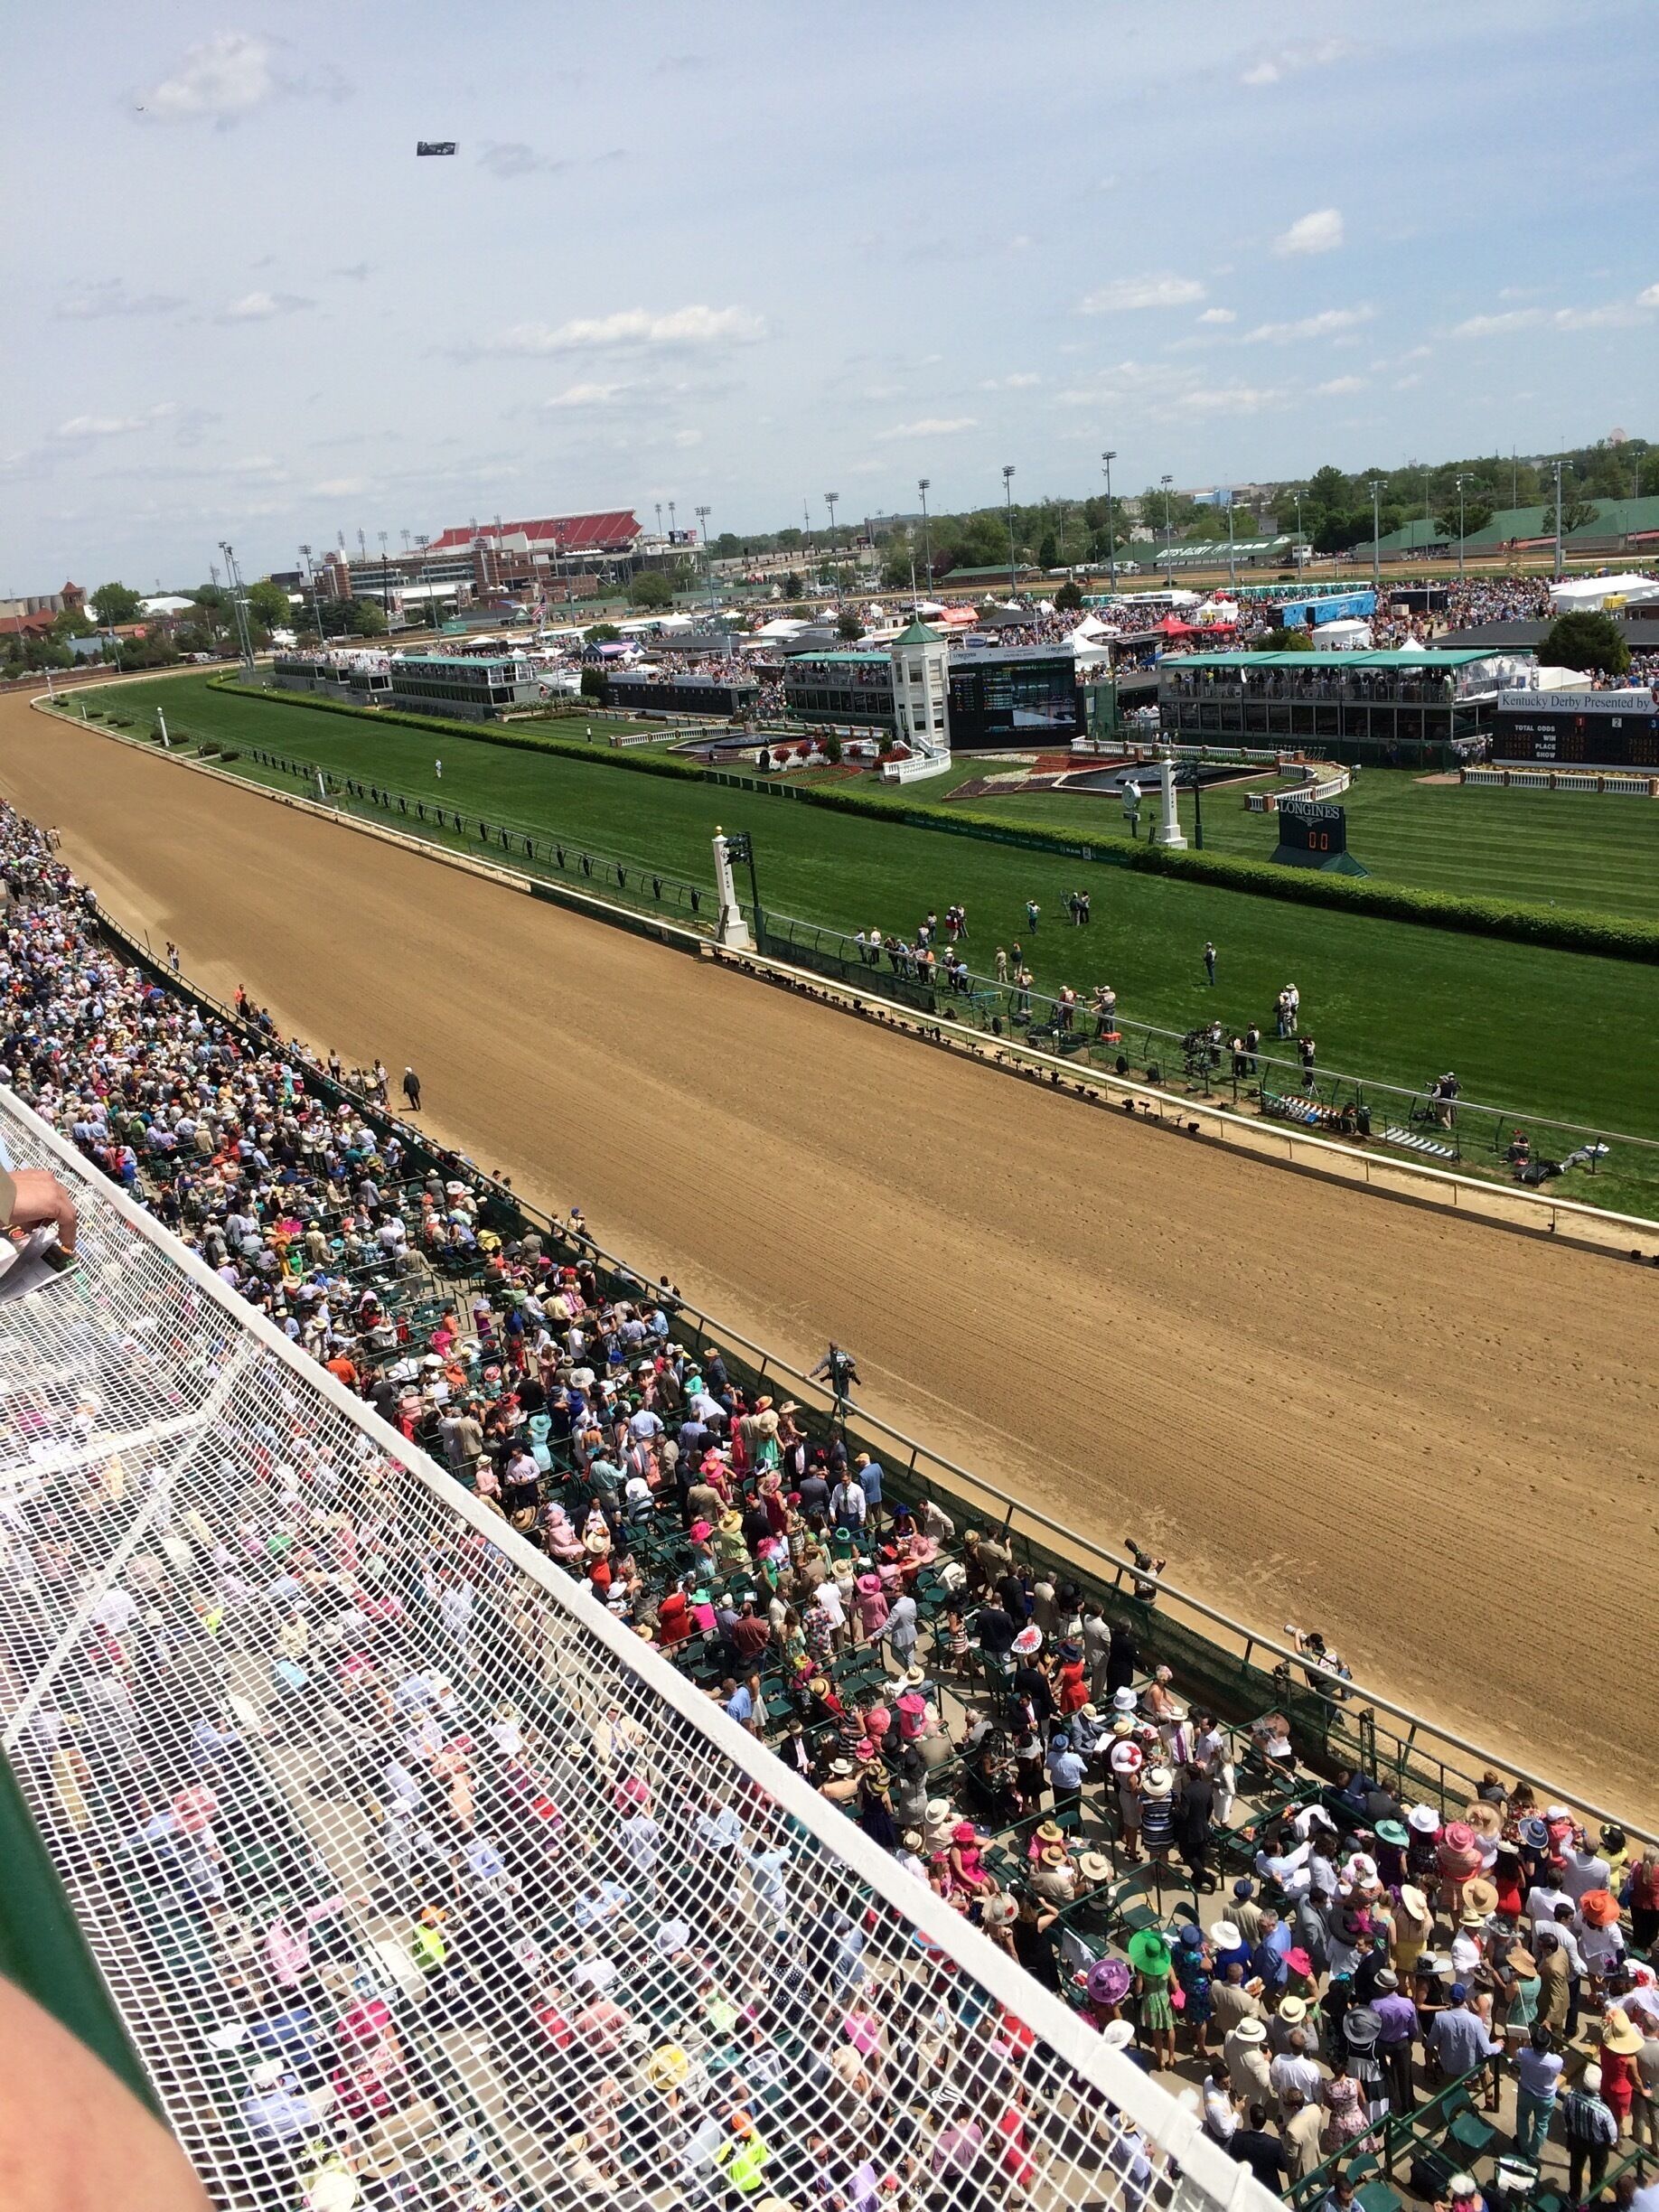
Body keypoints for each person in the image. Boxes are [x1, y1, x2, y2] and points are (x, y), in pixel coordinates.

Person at [1562, 2064, 1618, 2205]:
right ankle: (1594, 2202)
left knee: (1575, 2168)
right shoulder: (1603, 2111)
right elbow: (1612, 2136)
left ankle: (1573, 2197)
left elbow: (1566, 2115)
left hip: (1576, 2139)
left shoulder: (1571, 2097)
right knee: (1597, 2175)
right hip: (1597, 2146)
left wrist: (1571, 2130)